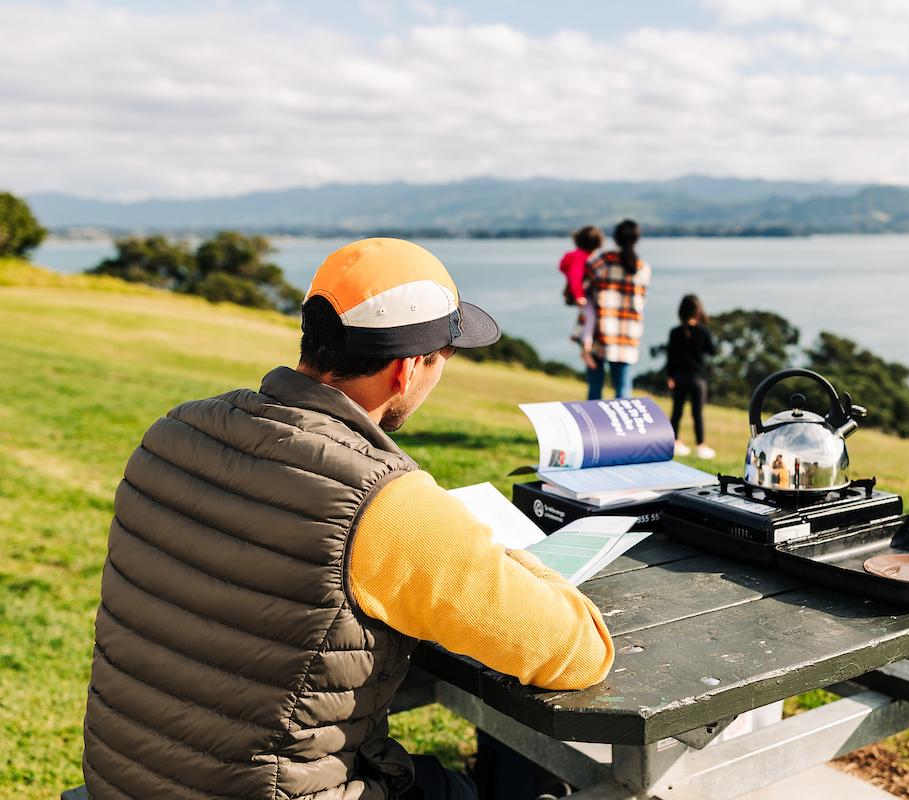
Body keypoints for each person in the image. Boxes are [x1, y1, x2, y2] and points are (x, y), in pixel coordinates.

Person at [81, 238, 614, 800]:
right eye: (444, 357)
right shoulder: (386, 506)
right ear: (408, 369)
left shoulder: (173, 431)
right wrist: (502, 556)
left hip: (125, 779)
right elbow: (579, 652)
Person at [584, 219, 650, 399]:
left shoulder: (603, 261)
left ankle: (594, 427)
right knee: (623, 388)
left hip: (600, 331)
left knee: (595, 386)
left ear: (616, 237)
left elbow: (582, 289)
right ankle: (621, 428)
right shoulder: (642, 268)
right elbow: (641, 302)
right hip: (628, 334)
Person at [666, 294, 716, 459]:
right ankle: (700, 445)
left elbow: (670, 356)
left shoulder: (675, 332)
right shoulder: (703, 331)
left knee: (676, 412)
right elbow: (712, 350)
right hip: (697, 378)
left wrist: (670, 376)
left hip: (679, 377)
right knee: (698, 413)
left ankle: (674, 442)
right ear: (698, 311)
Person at [559, 225, 604, 369]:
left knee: (586, 316)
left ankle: (583, 344)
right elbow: (575, 276)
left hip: (578, 293)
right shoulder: (580, 257)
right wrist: (579, 295)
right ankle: (586, 350)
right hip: (579, 294)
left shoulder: (576, 255)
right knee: (590, 317)